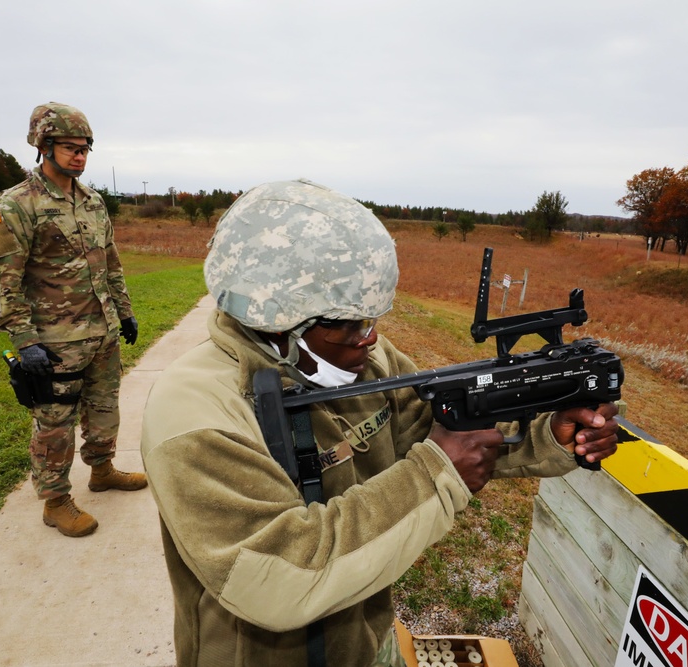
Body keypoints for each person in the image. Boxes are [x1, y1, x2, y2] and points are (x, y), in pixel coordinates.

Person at [140, 179, 619, 666]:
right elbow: (277, 578)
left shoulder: (361, 361)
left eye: (372, 320)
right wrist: (434, 477)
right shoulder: (195, 414)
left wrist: (546, 434)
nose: (368, 339)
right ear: (276, 321)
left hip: (369, 643)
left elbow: (432, 427)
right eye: (348, 324)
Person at [0, 102, 147, 538]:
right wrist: (24, 340)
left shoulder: (92, 202)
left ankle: (102, 470)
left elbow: (112, 265)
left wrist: (125, 313)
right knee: (55, 422)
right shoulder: (17, 204)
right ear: (44, 146)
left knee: (104, 409)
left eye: (85, 149)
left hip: (102, 330)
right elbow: (3, 279)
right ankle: (55, 501)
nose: (79, 156)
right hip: (55, 341)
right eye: (70, 148)